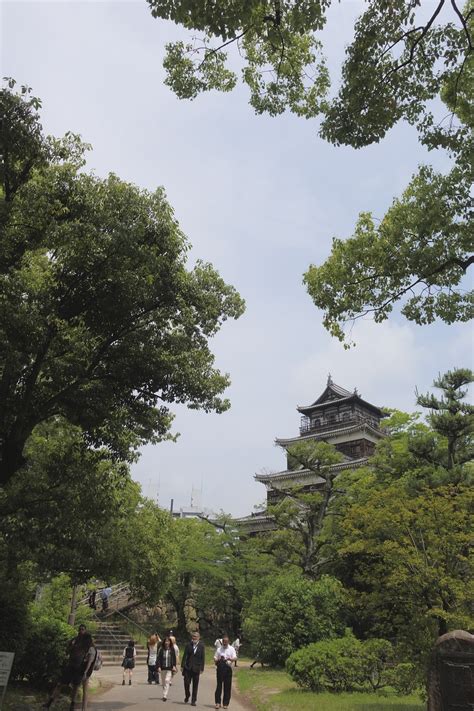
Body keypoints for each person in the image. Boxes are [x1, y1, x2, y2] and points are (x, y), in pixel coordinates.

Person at [43, 626, 96, 711]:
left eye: (83, 629)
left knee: (76, 687)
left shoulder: (88, 645)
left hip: (80, 670)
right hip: (71, 666)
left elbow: (90, 660)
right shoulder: (75, 641)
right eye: (80, 629)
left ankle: (73, 705)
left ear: (85, 631)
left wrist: (86, 672)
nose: (81, 631)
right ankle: (49, 702)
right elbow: (68, 650)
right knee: (60, 684)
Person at [181, 631, 205, 707]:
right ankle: (187, 695)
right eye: (193, 636)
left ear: (199, 638)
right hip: (188, 667)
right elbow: (185, 656)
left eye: (195, 636)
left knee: (195, 685)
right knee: (186, 683)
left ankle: (193, 700)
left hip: (196, 668)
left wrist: (202, 668)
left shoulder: (201, 646)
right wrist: (182, 666)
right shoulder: (188, 645)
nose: (194, 638)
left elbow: (202, 657)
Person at [214, 634, 236, 709]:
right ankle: (217, 702)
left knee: (227, 686)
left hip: (228, 668)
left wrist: (230, 659)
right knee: (219, 686)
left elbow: (235, 657)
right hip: (220, 668)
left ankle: (225, 703)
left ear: (228, 642)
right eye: (224, 642)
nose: (225, 643)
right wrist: (217, 659)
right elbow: (215, 657)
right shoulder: (219, 649)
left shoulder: (231, 649)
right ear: (222, 641)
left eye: (226, 642)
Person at [157, 636, 177, 702]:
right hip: (162, 668)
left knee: (167, 680)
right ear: (164, 642)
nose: (167, 642)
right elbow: (159, 659)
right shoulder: (161, 649)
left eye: (168, 641)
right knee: (163, 682)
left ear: (170, 642)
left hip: (169, 668)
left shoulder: (172, 649)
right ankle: (164, 692)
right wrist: (159, 667)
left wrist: (174, 666)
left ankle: (165, 695)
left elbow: (174, 658)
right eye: (166, 641)